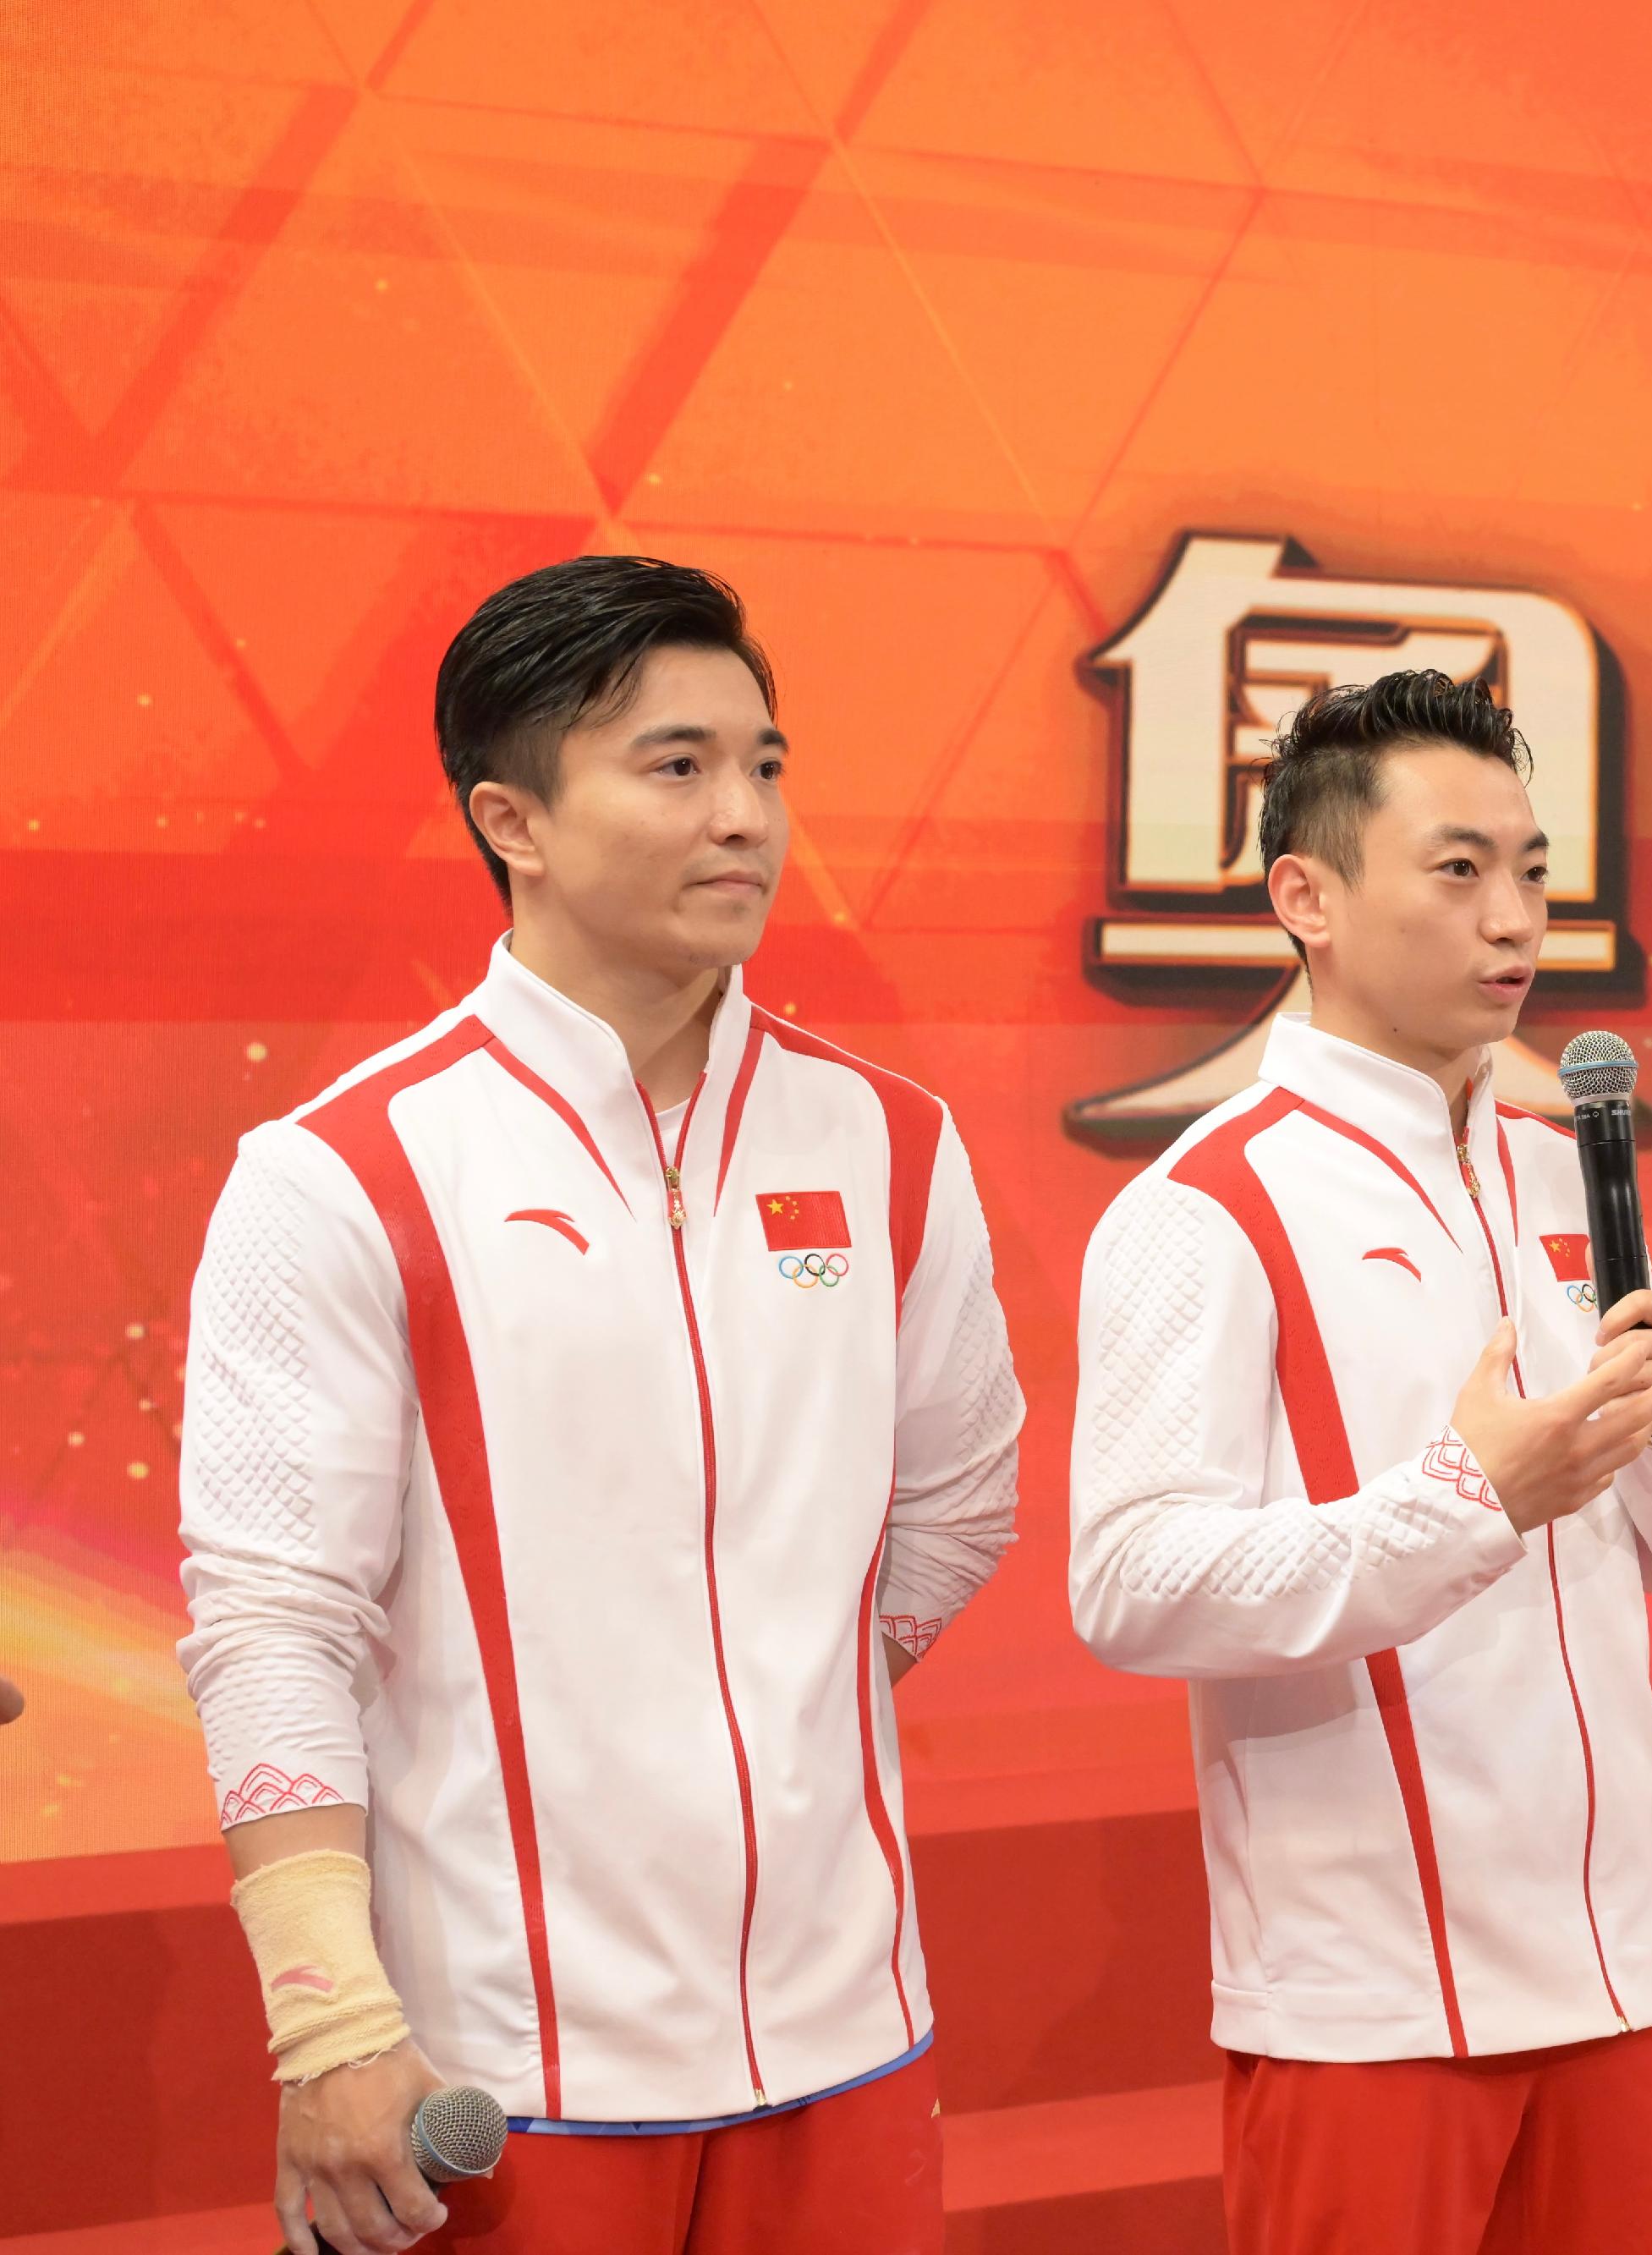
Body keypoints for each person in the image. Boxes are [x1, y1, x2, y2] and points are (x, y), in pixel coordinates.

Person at [174, 557, 1024, 2255]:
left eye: (766, 766)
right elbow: (273, 1617)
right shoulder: (342, 1171)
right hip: (500, 2063)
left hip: (845, 2036)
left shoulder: (890, 1142)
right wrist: (330, 2020)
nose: (745, 817)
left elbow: (958, 1504)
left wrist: (777, 1718)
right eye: (676, 764)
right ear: (516, 820)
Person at [1069, 671, 1652, 2255]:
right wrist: (1467, 1499)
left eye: (1532, 872)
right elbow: (1130, 1583)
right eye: (1457, 871)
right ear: (1306, 895)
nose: (1514, 920)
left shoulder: (1575, 1165)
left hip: (1630, 1965)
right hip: (1375, 2002)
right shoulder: (1202, 1205)